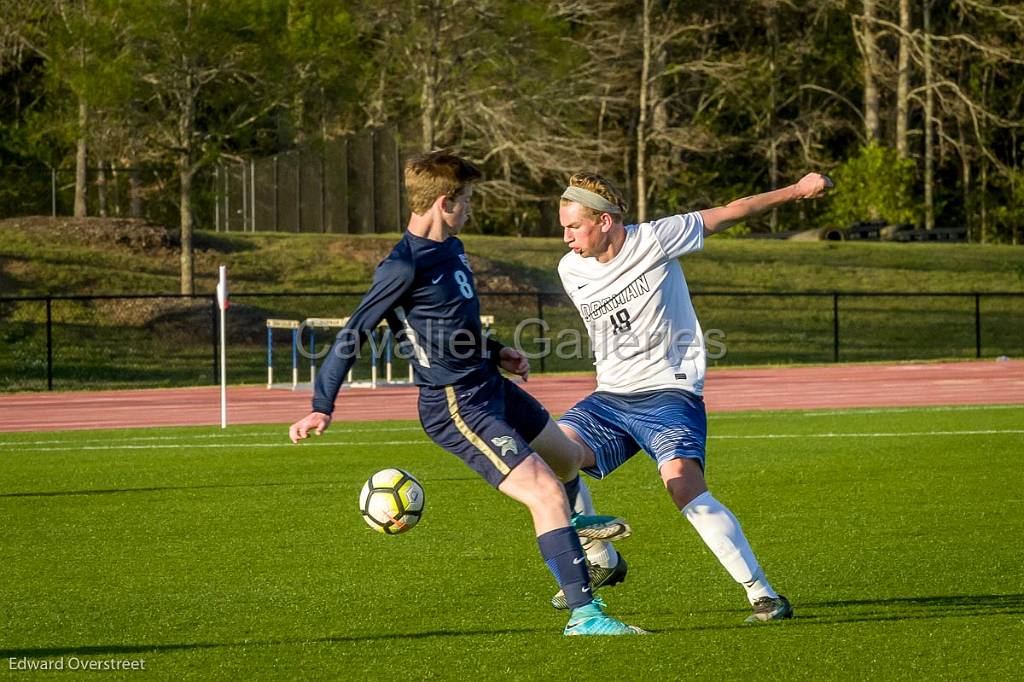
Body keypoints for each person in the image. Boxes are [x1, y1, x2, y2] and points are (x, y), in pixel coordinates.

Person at [289, 150, 644, 636]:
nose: (472, 208)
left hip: (488, 384)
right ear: (443, 201)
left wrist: (497, 352)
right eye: (469, 199)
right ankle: (585, 615)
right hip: (454, 405)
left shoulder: (452, 249)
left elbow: (453, 326)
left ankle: (570, 531)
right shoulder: (402, 265)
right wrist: (320, 407)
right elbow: (353, 334)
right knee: (544, 492)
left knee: (566, 461)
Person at [551, 170, 833, 622]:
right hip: (610, 398)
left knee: (683, 486)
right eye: (563, 226)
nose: (565, 236)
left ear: (605, 221)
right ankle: (602, 559)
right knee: (551, 454)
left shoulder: (657, 238)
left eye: (573, 226)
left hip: (668, 392)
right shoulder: (570, 269)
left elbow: (731, 211)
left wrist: (797, 191)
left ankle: (763, 594)